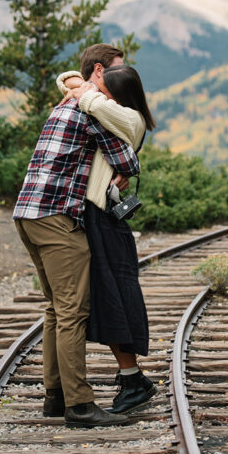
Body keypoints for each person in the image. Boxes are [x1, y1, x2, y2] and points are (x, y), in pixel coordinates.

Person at [13, 87, 140, 429]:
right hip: (57, 218)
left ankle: (55, 397)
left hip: (27, 214)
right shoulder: (91, 114)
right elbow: (127, 160)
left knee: (56, 307)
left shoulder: (62, 108)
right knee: (73, 311)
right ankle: (80, 405)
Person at [58, 61, 157, 413]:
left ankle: (133, 379)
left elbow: (88, 101)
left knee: (113, 296)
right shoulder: (111, 111)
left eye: (105, 91)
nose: (98, 94)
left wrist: (87, 91)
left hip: (103, 217)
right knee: (105, 297)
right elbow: (70, 86)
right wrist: (81, 85)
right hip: (95, 214)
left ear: (119, 97)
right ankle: (131, 378)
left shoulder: (129, 119)